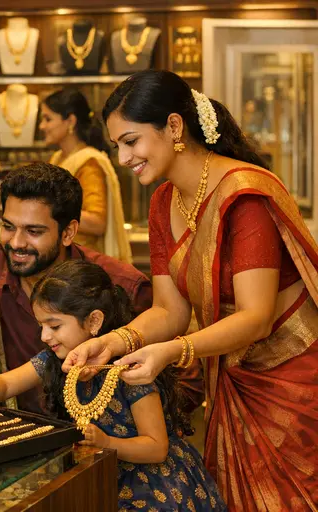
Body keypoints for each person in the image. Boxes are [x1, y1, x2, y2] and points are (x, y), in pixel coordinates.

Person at [65, 69, 318, 509]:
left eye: (131, 141)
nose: (123, 158)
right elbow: (170, 310)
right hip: (234, 378)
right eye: (117, 146)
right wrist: (111, 342)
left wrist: (170, 351)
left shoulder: (243, 195)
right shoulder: (165, 202)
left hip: (288, 382)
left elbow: (255, 318)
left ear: (174, 127)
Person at [0, 260, 225, 511]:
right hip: (96, 473)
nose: (44, 336)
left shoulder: (127, 369)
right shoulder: (56, 360)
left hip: (154, 485)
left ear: (94, 321)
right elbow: (6, 384)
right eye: (41, 325)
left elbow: (156, 447)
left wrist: (106, 443)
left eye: (54, 326)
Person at [0, 163, 159, 414]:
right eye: (8, 227)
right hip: (8, 438)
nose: (16, 242)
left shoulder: (122, 285)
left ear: (68, 232)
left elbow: (181, 381)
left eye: (33, 231)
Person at [42, 89, 132, 262]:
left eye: (48, 119)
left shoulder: (88, 162)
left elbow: (98, 223)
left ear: (70, 121)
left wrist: (47, 211)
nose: (42, 126)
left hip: (82, 265)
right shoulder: (58, 158)